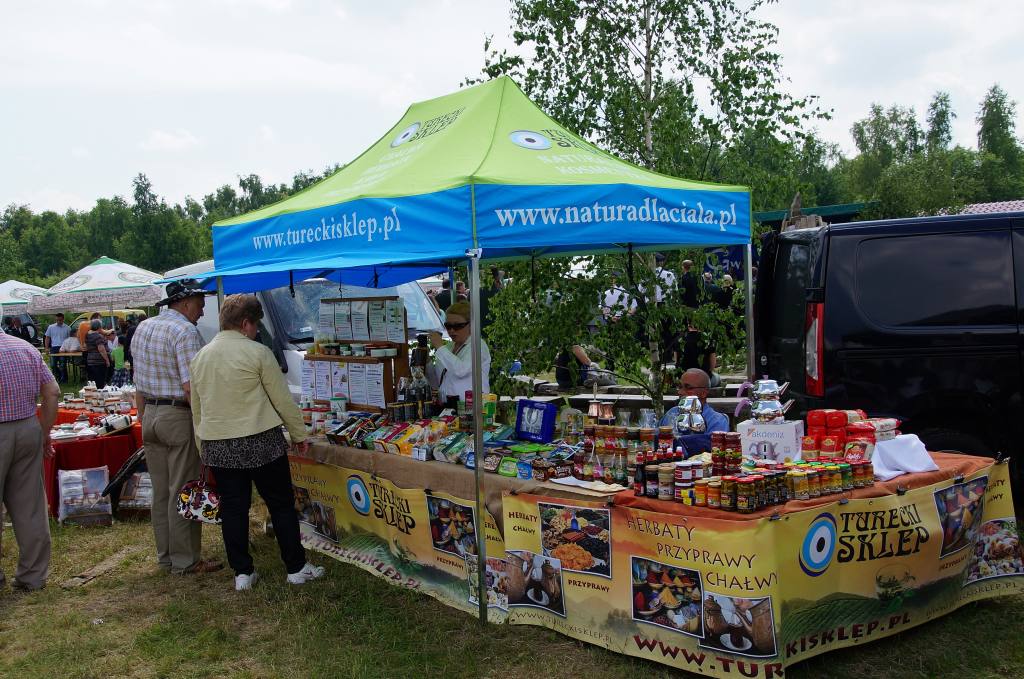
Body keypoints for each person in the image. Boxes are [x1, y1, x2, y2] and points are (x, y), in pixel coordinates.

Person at [190, 294, 324, 591]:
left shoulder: (200, 357)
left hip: (217, 443)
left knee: (234, 508)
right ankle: (296, 567)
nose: (256, 331)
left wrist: (202, 445)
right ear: (246, 323)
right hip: (260, 438)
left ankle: (242, 573)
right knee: (281, 504)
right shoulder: (258, 352)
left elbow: (196, 408)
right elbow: (282, 400)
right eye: (255, 325)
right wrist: (299, 434)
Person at [132, 279, 223, 576]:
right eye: (199, 303)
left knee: (160, 491)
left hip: (151, 415)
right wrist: (204, 426)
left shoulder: (143, 327)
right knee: (183, 489)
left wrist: (143, 417)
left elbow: (138, 383)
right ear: (184, 304)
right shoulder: (185, 331)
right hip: (177, 416)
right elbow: (190, 387)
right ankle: (186, 560)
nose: (202, 309)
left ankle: (166, 556)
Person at [0, 331, 59, 591]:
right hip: (26, 428)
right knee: (30, 506)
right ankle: (32, 576)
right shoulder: (24, 347)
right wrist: (44, 432)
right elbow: (52, 392)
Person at [427, 301, 491, 403]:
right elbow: (437, 382)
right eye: (448, 326)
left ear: (471, 325)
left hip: (473, 409)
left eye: (458, 326)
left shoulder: (478, 345)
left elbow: (461, 370)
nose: (452, 331)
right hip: (448, 409)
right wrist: (427, 363)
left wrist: (439, 347)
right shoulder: (448, 348)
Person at [659, 369, 729, 457]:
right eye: (680, 387)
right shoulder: (672, 413)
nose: (680, 392)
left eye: (688, 388)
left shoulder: (717, 420)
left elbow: (716, 452)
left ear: (703, 393)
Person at [44, 313, 72, 383]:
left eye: (60, 320)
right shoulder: (51, 327)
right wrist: (46, 348)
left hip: (63, 348)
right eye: (57, 320)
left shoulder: (67, 328)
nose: (58, 321)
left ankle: (64, 379)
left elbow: (70, 339)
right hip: (54, 348)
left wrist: (69, 348)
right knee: (53, 365)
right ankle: (58, 377)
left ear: (63, 319)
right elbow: (47, 338)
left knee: (63, 364)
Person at [83, 319, 111, 389]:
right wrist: (107, 360)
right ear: (99, 326)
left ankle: (93, 394)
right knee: (100, 382)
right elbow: (101, 349)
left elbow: (85, 347)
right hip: (99, 361)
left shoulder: (87, 335)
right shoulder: (98, 336)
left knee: (93, 381)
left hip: (90, 360)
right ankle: (100, 395)